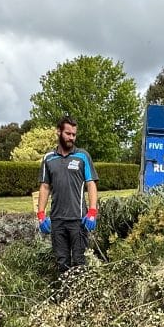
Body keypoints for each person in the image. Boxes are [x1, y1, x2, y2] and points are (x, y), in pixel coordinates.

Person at [37, 115, 99, 274]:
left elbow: (91, 183)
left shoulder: (82, 156)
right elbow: (44, 187)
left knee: (80, 263)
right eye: (68, 133)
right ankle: (64, 297)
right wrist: (41, 215)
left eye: (74, 134)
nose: (71, 137)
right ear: (58, 132)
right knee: (62, 263)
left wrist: (92, 212)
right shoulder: (48, 158)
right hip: (57, 221)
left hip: (78, 220)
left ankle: (79, 297)